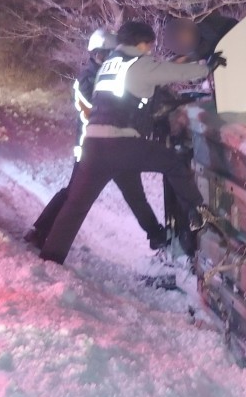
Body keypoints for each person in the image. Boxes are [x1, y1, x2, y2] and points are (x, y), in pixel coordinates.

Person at [39, 20, 220, 265]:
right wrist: (207, 67)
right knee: (173, 163)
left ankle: (50, 257)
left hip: (93, 147)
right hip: (120, 143)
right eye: (150, 45)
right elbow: (173, 73)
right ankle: (197, 211)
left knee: (77, 206)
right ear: (143, 43)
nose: (151, 50)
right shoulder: (139, 63)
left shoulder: (108, 66)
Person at [25, 29, 168, 251]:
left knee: (134, 193)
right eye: (101, 54)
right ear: (93, 54)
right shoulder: (86, 79)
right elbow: (95, 110)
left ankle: (156, 235)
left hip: (119, 146)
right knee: (73, 196)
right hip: (91, 151)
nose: (105, 58)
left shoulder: (117, 77)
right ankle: (40, 231)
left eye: (109, 54)